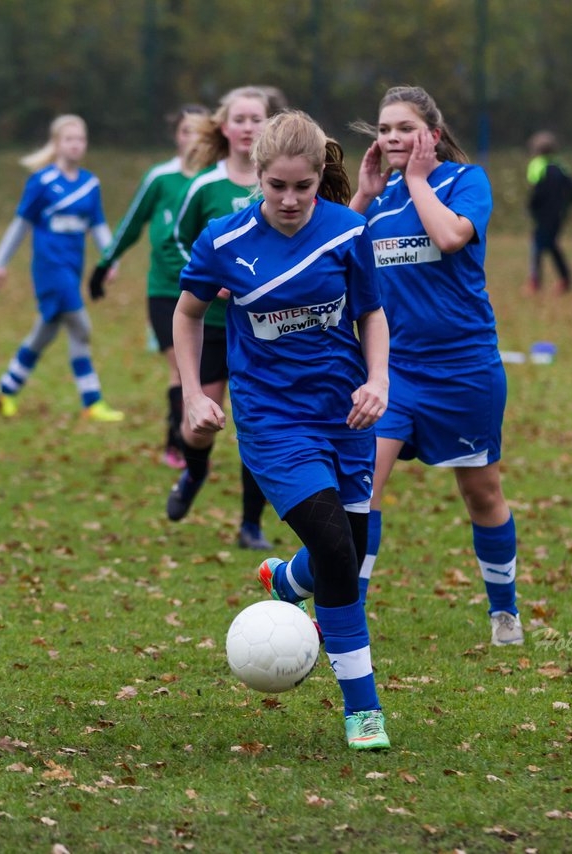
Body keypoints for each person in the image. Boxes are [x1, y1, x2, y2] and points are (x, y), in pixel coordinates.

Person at [263, 86, 524, 648]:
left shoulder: (465, 182)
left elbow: (452, 237)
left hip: (464, 370)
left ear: (432, 133)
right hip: (393, 373)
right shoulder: (375, 199)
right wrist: (362, 195)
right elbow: (325, 249)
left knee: (481, 493)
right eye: (383, 130)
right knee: (363, 493)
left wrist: (417, 183)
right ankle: (343, 612)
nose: (391, 139)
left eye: (404, 128)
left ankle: (504, 610)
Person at [176, 110, 392, 750]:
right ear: (259, 178)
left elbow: (373, 313)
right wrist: (192, 392)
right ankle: (363, 710)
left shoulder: (349, 231)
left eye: (302, 187)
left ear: (320, 174)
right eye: (277, 187)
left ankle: (285, 582)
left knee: (345, 559)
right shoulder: (223, 240)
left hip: (347, 415)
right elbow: (187, 316)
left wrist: (377, 381)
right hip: (273, 421)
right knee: (337, 553)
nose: (291, 200)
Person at [166, 86, 275, 551]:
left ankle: (251, 524)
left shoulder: (279, 182)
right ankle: (194, 472)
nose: (249, 127)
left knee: (256, 423)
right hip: (213, 325)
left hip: (266, 328)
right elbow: (176, 241)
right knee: (202, 422)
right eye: (241, 119)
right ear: (225, 127)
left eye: (257, 118)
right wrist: (212, 278)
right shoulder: (205, 186)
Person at [88, 104, 210, 467]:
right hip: (165, 291)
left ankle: (195, 438)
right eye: (186, 131)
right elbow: (131, 223)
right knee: (179, 367)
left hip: (211, 296)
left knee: (205, 372)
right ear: (176, 135)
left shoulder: (216, 180)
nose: (192, 139)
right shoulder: (160, 178)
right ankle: (176, 442)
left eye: (200, 133)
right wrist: (105, 263)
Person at [0, 114, 123, 422]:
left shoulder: (91, 184)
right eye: (69, 139)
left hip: (73, 267)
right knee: (81, 327)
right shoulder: (42, 182)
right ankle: (93, 400)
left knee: (44, 334)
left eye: (81, 139)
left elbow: (98, 226)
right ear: (56, 143)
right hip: (50, 269)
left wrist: (109, 259)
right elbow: (20, 225)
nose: (76, 145)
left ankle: (5, 390)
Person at [524, 130, 572, 295]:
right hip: (559, 215)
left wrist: (532, 207)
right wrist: (566, 208)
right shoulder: (562, 167)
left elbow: (537, 192)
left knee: (538, 246)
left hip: (543, 215)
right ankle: (565, 280)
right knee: (550, 244)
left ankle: (535, 283)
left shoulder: (537, 166)